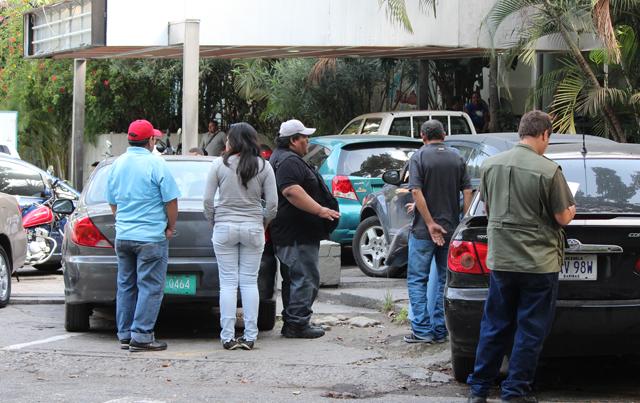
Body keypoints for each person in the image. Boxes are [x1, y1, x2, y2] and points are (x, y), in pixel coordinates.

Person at [466, 111, 576, 403]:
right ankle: (515, 392)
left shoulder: (490, 166)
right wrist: (573, 208)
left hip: (502, 259)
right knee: (530, 329)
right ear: (544, 135)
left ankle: (478, 390)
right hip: (538, 263)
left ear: (521, 133)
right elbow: (563, 218)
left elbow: (488, 209)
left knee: (494, 325)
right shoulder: (549, 170)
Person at [103, 119, 181, 352]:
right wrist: (169, 227)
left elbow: (111, 199)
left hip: (123, 235)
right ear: (151, 140)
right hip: (150, 237)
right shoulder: (156, 164)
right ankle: (142, 336)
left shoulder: (117, 164)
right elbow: (171, 200)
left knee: (126, 285)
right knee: (150, 286)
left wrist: (122, 221)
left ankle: (125, 334)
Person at [203, 123, 277, 351]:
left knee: (227, 283)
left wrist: (215, 220)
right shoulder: (264, 166)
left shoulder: (218, 164)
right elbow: (273, 204)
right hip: (253, 228)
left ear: (233, 141)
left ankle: (227, 337)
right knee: (248, 282)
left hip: (224, 227)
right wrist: (262, 223)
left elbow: (207, 201)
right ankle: (250, 336)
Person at [269, 119, 341, 339]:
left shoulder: (285, 159)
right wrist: (320, 210)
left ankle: (293, 322)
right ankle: (298, 324)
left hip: (295, 233)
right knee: (305, 278)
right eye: (304, 137)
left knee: (296, 278)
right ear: (293, 140)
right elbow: (290, 191)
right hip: (296, 235)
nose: (308, 141)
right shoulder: (288, 161)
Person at [405, 120, 472, 344]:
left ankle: (422, 331)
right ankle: (440, 330)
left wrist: (429, 222)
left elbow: (416, 191)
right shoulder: (457, 157)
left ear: (422, 137)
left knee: (417, 280)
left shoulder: (419, 157)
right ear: (444, 134)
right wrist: (464, 221)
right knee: (445, 281)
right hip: (452, 230)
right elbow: (467, 191)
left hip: (424, 232)